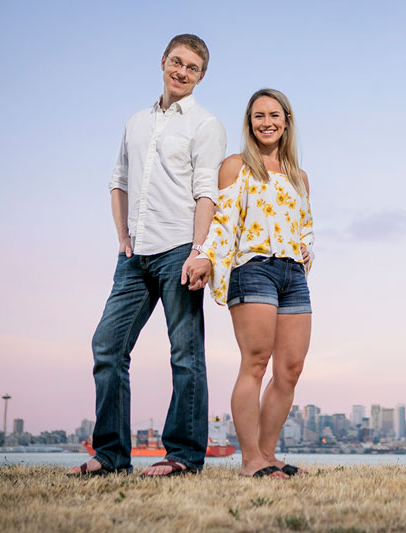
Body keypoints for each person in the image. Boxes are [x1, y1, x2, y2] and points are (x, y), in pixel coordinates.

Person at [68, 34, 226, 477]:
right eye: (177, 62)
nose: (182, 72)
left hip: (180, 248)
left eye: (192, 68)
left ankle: (183, 456)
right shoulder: (136, 122)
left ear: (200, 77)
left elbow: (206, 191)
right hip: (135, 256)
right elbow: (119, 180)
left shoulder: (205, 124)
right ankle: (111, 456)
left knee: (185, 354)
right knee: (107, 345)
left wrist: (200, 251)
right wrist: (122, 235)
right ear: (163, 61)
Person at [193, 88, 314, 478]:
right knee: (256, 362)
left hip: (293, 274)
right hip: (253, 268)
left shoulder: (299, 176)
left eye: (274, 115)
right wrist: (205, 257)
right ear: (250, 123)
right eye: (259, 116)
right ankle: (250, 462)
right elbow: (223, 223)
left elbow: (306, 228)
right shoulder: (235, 167)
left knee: (291, 368)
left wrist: (307, 250)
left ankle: (267, 453)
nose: (267, 122)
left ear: (286, 121)